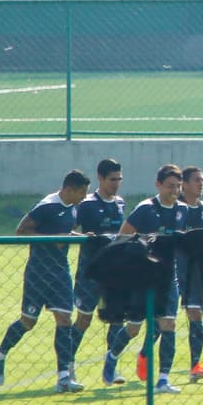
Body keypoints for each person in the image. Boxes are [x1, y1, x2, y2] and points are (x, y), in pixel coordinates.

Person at [0, 170, 91, 393]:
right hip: (38, 272)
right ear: (69, 189)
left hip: (60, 271)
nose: (85, 196)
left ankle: (64, 377)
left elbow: (64, 233)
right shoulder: (47, 206)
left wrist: (83, 238)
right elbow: (21, 230)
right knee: (28, 321)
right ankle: (0, 353)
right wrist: (50, 241)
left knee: (64, 318)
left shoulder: (73, 209)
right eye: (83, 191)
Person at [114, 164, 189, 394]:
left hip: (169, 277)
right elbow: (122, 236)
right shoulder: (145, 209)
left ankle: (163, 380)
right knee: (135, 327)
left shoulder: (183, 210)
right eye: (170, 186)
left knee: (169, 325)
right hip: (143, 277)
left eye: (178, 186)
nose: (174, 191)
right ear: (158, 185)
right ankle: (112, 357)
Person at [69, 158, 128, 385]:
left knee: (116, 320)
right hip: (90, 272)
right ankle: (67, 367)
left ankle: (110, 368)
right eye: (112, 179)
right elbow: (69, 231)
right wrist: (86, 238)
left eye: (119, 179)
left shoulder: (120, 203)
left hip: (114, 272)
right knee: (83, 320)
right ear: (100, 178)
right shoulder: (87, 204)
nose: (116, 184)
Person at [179, 166, 203, 381]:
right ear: (184, 184)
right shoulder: (177, 208)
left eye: (202, 180)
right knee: (162, 319)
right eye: (196, 180)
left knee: (196, 314)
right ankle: (145, 355)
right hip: (173, 267)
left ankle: (195, 366)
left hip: (194, 270)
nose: (201, 184)